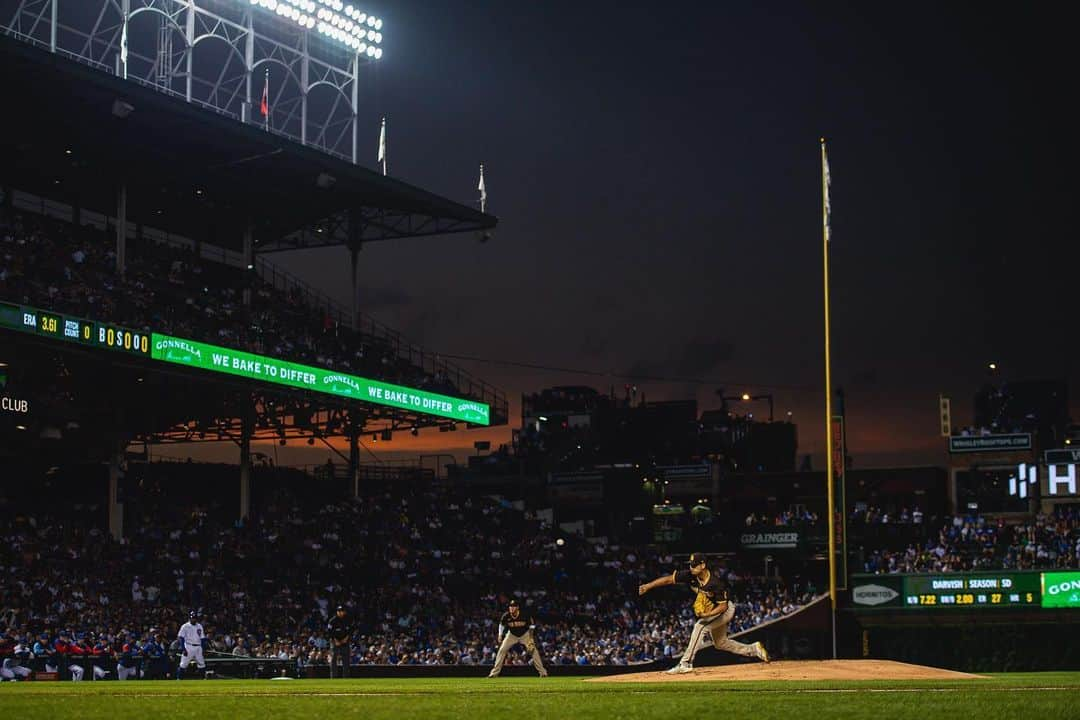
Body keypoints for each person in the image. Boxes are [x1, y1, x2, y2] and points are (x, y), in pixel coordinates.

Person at [639, 552, 769, 674]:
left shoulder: (715, 583)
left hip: (724, 610)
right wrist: (648, 586)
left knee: (700, 626)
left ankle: (685, 663)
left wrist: (707, 615)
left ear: (703, 565)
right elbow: (668, 580)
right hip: (712, 610)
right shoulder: (690, 574)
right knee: (720, 643)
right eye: (690, 564)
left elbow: (723, 606)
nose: (691, 567)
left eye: (694, 565)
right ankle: (753, 649)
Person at [488, 599, 547, 678]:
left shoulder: (524, 614)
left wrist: (531, 638)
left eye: (514, 606)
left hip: (525, 635)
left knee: (533, 650)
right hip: (511, 635)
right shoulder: (506, 615)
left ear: (517, 608)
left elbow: (532, 626)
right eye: (510, 606)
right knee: (502, 650)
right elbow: (501, 625)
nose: (511, 608)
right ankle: (493, 674)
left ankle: (543, 673)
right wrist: (500, 635)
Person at [177, 610, 207, 679]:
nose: (193, 619)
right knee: (183, 664)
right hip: (189, 646)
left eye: (195, 618)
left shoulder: (199, 626)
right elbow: (181, 638)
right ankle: (178, 679)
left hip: (198, 647)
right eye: (192, 618)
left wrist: (203, 648)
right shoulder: (185, 626)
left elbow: (202, 638)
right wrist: (183, 649)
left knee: (201, 664)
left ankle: (203, 679)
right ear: (189, 618)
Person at [327, 605, 351, 678]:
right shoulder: (332, 621)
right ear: (337, 612)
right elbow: (329, 632)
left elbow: (350, 630)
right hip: (335, 641)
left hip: (345, 641)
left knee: (346, 660)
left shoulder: (347, 620)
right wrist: (335, 640)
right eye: (339, 611)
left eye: (342, 611)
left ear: (344, 612)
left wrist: (346, 639)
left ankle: (346, 677)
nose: (340, 612)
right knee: (334, 659)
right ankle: (334, 677)